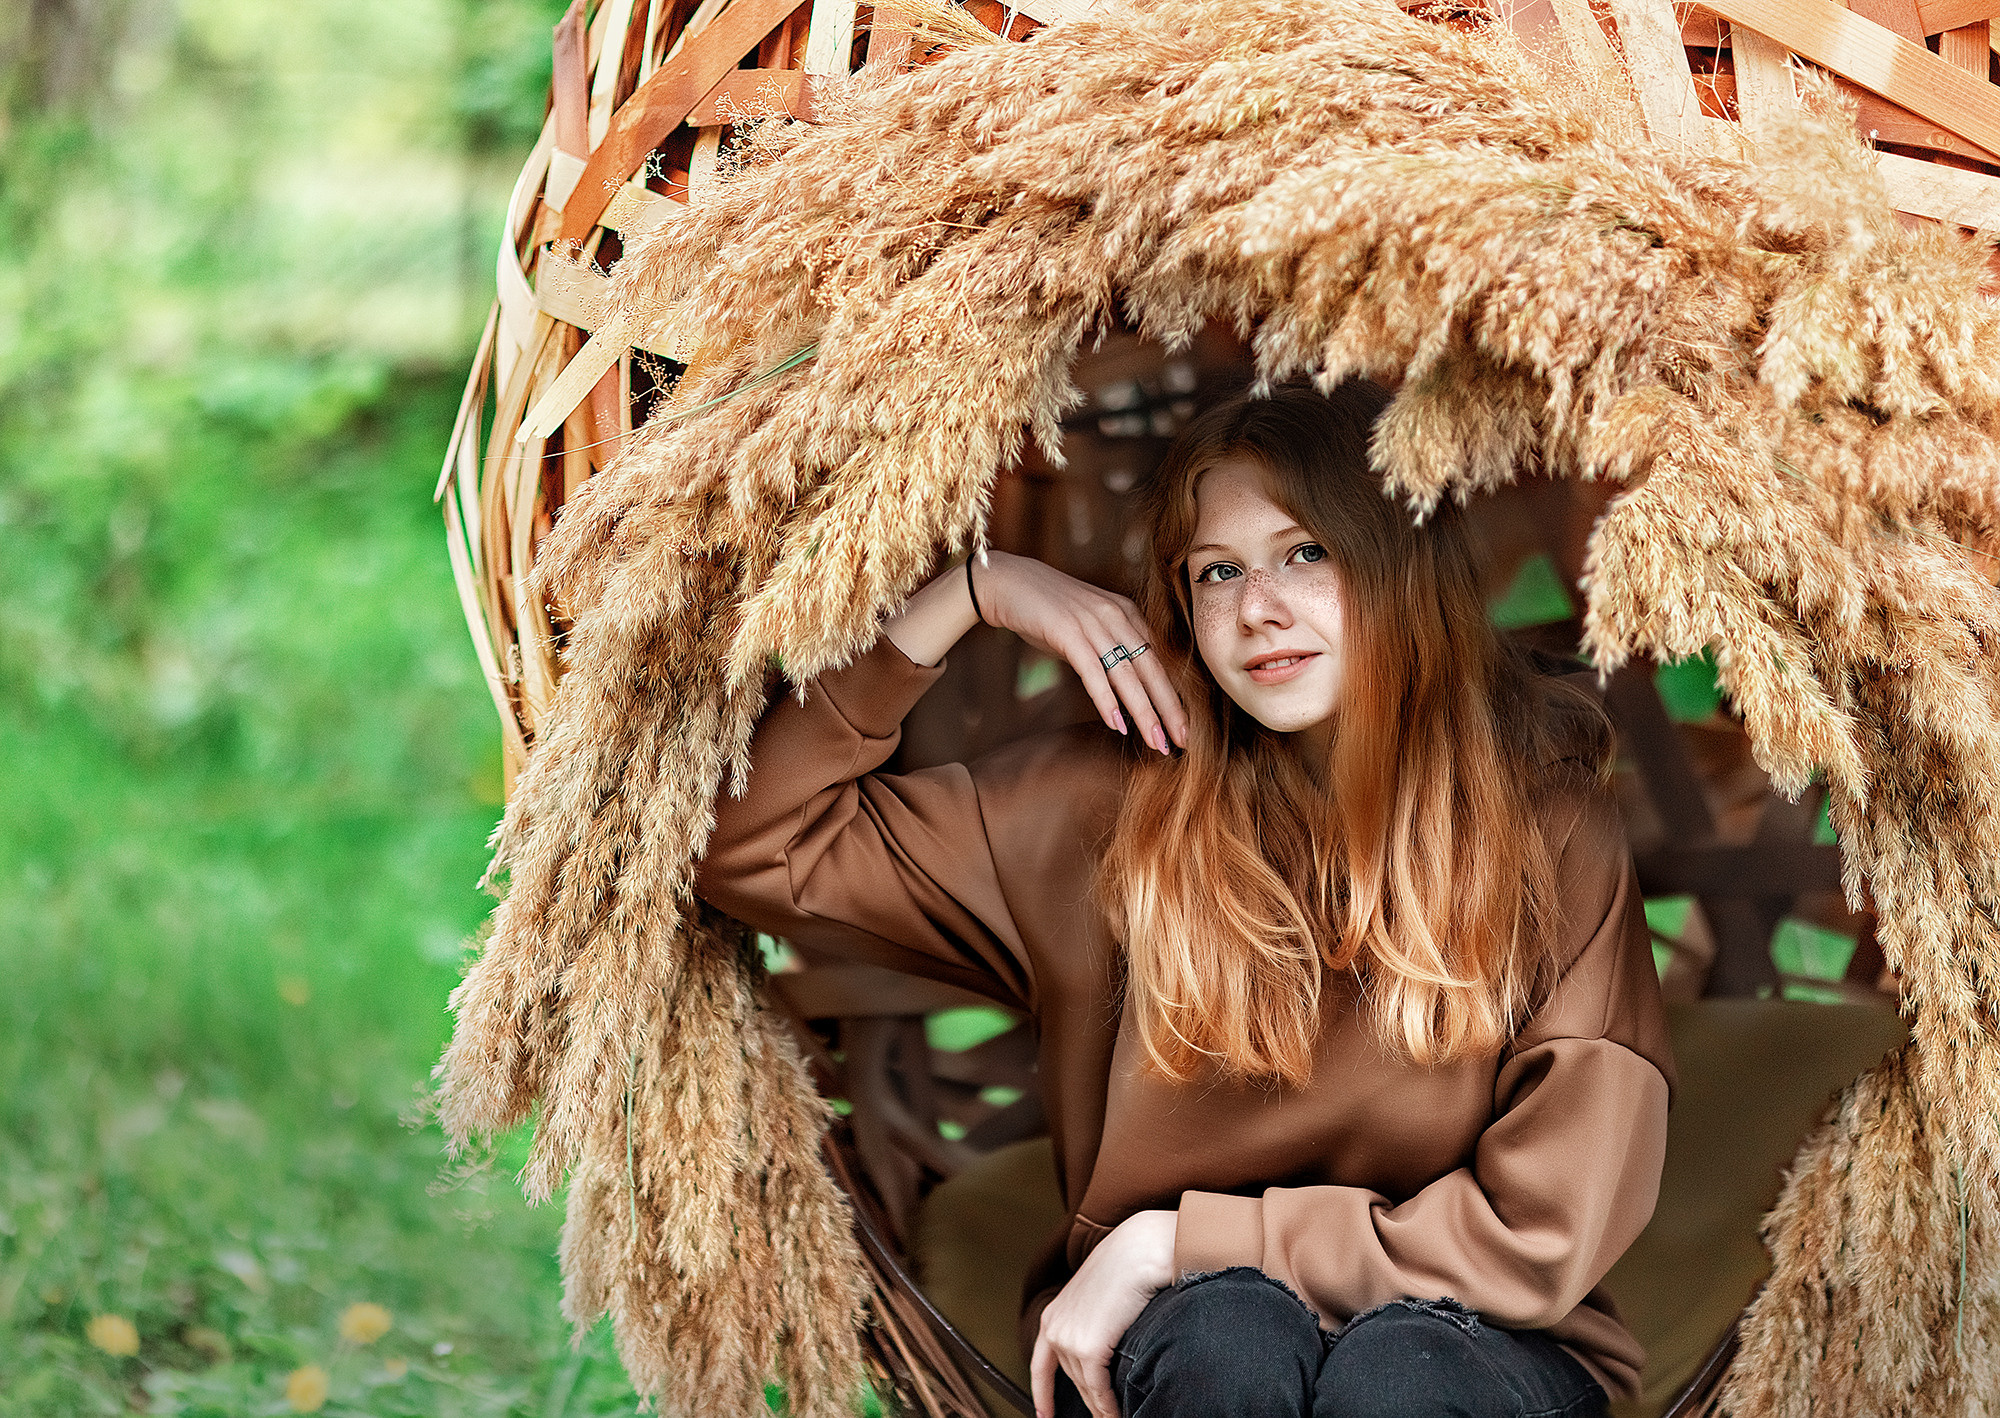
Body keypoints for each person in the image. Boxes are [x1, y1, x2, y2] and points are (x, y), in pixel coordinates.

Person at [694, 382, 1674, 1418]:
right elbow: (750, 842)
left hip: (1479, 1337)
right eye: (1218, 571)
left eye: (1307, 553)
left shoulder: (1548, 830)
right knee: (1227, 1338)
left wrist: (1170, 1242)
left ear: (1401, 566)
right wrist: (977, 590)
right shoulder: (1102, 808)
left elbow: (1542, 1234)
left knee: (1395, 1373)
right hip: (1181, 1340)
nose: (1258, 608)